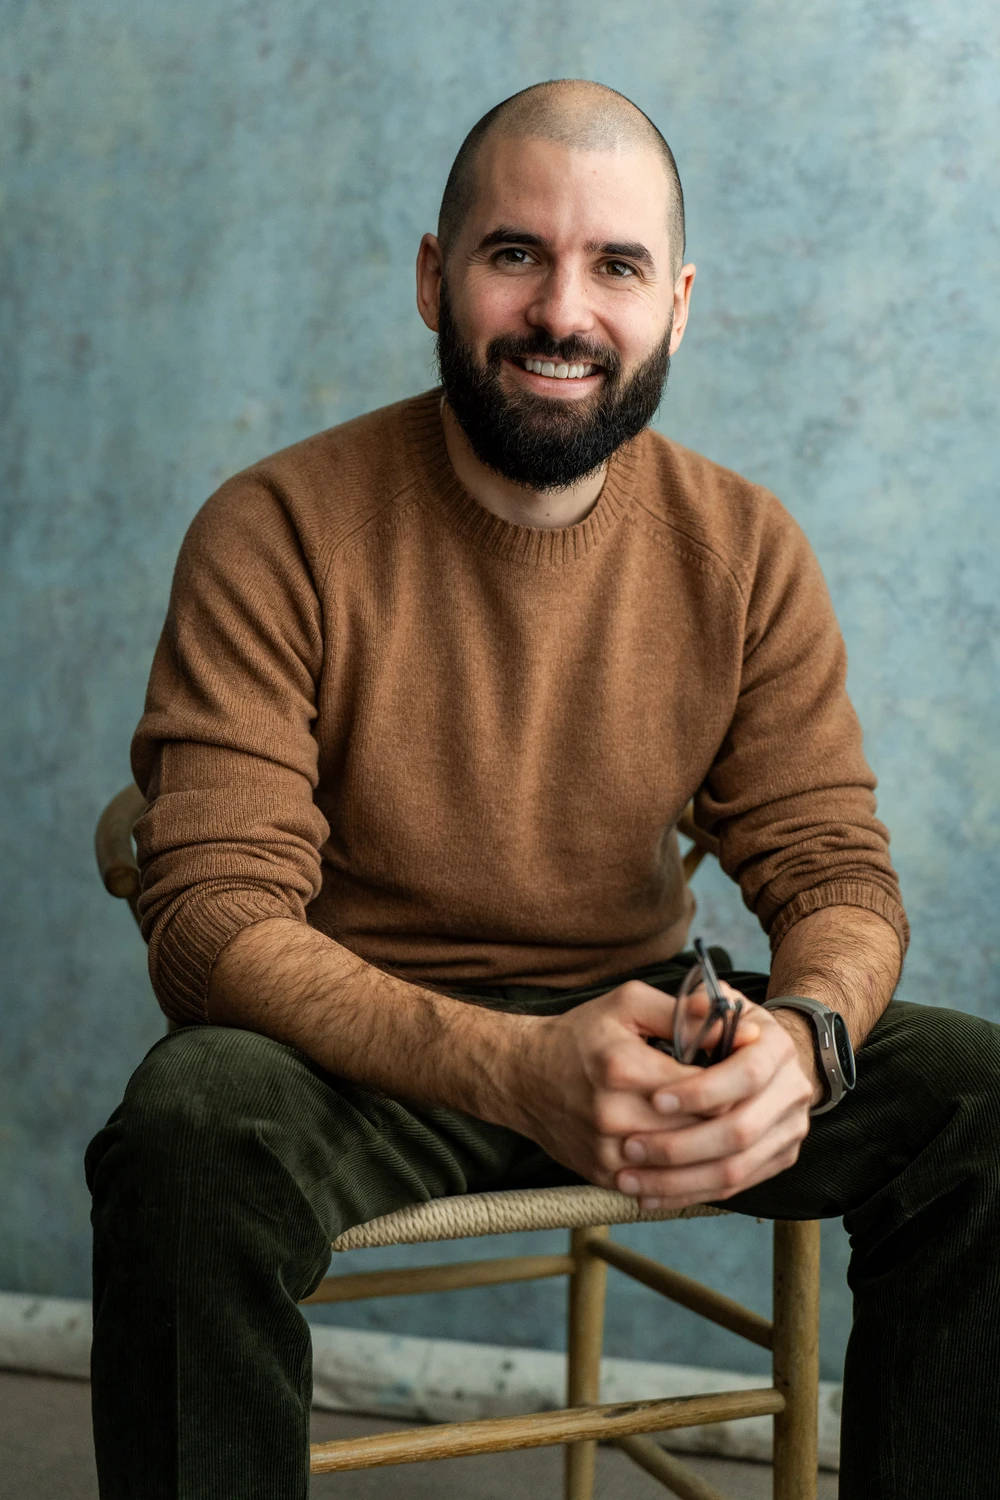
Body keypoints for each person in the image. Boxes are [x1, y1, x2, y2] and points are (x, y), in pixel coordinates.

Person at [86, 80, 1000, 1500]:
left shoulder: (746, 551)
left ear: (677, 303)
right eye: (516, 252)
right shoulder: (274, 528)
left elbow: (835, 876)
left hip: (648, 1046)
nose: (563, 310)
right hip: (362, 1054)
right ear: (434, 281)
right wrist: (516, 1064)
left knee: (979, 1103)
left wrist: (806, 1040)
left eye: (615, 265)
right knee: (192, 1129)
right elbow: (209, 918)